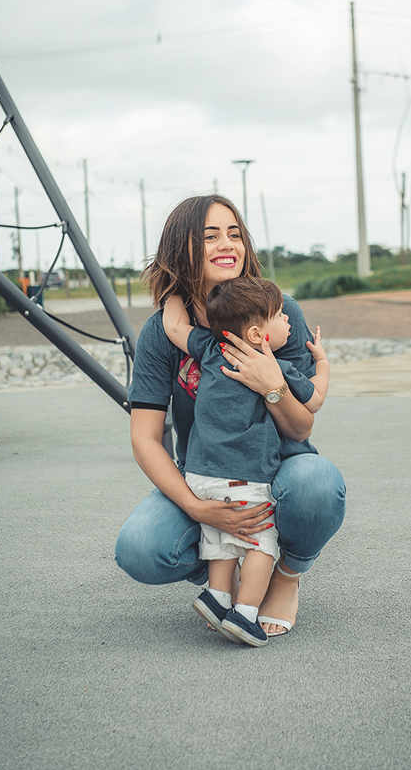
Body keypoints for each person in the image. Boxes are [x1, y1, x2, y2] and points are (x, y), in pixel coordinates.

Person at [115, 194, 347, 638]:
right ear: (182, 248)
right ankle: (224, 577)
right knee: (141, 547)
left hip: (280, 467)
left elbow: (302, 425)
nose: (227, 244)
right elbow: (145, 439)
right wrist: (199, 508)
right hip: (210, 474)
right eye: (210, 235)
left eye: (234, 233)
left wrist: (271, 384)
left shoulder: (277, 313)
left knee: (318, 484)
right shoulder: (162, 333)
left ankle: (285, 576)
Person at [160, 276, 329, 646]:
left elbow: (173, 325)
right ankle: (245, 614)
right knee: (259, 543)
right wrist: (321, 361)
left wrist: (173, 288)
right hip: (248, 475)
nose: (289, 320)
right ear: (257, 334)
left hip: (201, 474)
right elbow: (314, 401)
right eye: (281, 316)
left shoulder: (208, 347)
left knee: (221, 537)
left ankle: (218, 597)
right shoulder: (275, 366)